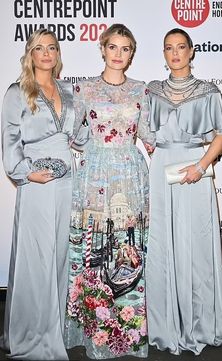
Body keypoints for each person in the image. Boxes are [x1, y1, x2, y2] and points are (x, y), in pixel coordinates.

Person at [65, 24, 155, 359]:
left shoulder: (141, 90)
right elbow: (74, 136)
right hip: (94, 177)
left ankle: (130, 333)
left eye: (126, 48)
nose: (118, 54)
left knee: (128, 248)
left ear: (132, 53)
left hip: (131, 175)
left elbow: (147, 134)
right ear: (102, 49)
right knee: (95, 249)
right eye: (113, 47)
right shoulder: (84, 89)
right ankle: (96, 333)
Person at [146, 28, 222, 356]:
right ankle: (166, 323)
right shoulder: (153, 91)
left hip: (196, 168)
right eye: (169, 48)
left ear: (191, 50)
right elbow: (144, 130)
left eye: (181, 47)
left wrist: (200, 166)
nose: (175, 53)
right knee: (163, 245)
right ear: (164, 53)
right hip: (162, 169)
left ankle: (200, 322)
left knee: (196, 244)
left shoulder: (208, 91)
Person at [0, 29, 77, 360]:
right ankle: (32, 334)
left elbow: (82, 134)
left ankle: (55, 329)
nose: (47, 53)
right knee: (36, 260)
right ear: (30, 54)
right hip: (37, 182)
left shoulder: (69, 92)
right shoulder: (17, 92)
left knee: (60, 257)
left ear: (58, 54)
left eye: (52, 47)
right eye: (39, 48)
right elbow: (9, 137)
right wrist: (24, 173)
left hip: (68, 181)